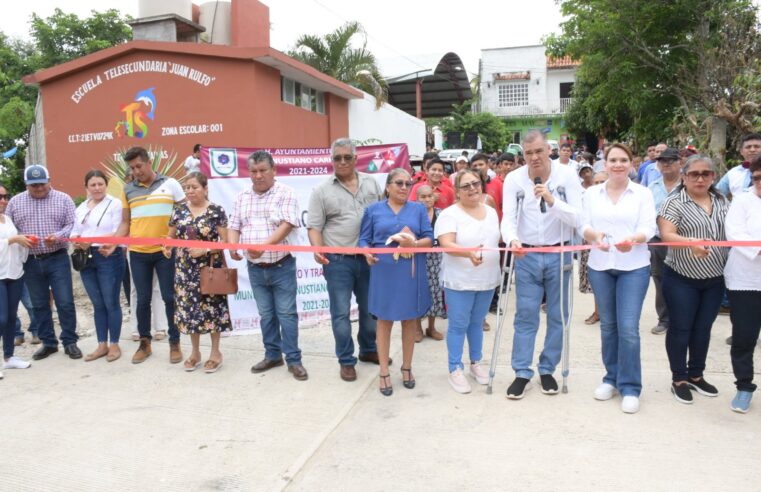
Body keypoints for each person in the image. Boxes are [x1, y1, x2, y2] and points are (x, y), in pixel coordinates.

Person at [501, 130, 583, 399]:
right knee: (525, 315)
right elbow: (509, 218)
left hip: (559, 253)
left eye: (538, 151)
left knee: (559, 315)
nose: (534, 157)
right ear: (522, 155)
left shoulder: (567, 176)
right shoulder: (514, 179)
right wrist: (512, 239)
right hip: (526, 255)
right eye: (528, 153)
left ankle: (547, 369)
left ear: (549, 150)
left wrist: (552, 200)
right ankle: (522, 372)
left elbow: (577, 218)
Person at [581, 143, 656, 414]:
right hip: (601, 265)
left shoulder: (642, 193)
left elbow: (649, 226)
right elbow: (584, 223)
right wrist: (594, 236)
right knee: (608, 327)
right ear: (605, 162)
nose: (618, 164)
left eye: (623, 159)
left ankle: (631, 386)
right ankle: (610, 378)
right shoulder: (591, 193)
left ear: (631, 163)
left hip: (633, 266)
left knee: (628, 328)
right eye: (613, 159)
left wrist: (634, 239)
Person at [307, 138, 384, 382]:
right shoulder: (321, 190)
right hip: (338, 261)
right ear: (331, 160)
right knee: (340, 313)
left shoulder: (371, 183)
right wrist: (317, 249)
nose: (341, 162)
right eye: (336, 158)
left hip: (369, 259)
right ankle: (346, 360)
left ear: (355, 159)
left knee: (371, 309)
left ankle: (369, 350)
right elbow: (314, 226)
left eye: (346, 157)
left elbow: (381, 215)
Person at [229, 151, 307, 381]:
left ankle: (293, 359)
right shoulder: (242, 196)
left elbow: (287, 225)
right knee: (266, 315)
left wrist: (263, 245)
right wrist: (233, 246)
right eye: (253, 171)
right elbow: (234, 225)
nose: (258, 176)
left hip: (281, 265)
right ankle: (273, 355)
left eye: (263, 170)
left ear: (274, 171)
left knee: (286, 314)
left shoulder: (286, 193)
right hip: (255, 267)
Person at [658, 155, 728, 404]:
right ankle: (679, 379)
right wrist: (691, 243)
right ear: (685, 176)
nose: (700, 178)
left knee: (703, 329)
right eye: (694, 174)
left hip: (714, 279)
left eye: (706, 174)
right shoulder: (674, 202)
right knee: (681, 328)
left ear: (713, 177)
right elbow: (666, 234)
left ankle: (696, 375)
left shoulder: (721, 201)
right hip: (681, 278)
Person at [359, 168, 433, 396]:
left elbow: (429, 238)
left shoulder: (418, 209)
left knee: (410, 320)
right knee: (384, 320)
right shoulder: (373, 210)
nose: (403, 187)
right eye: (398, 183)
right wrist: (366, 253)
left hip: (410, 270)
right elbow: (363, 239)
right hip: (384, 271)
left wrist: (414, 246)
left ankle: (407, 367)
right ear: (388, 186)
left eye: (407, 183)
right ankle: (383, 371)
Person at [111, 146, 186, 365]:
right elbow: (125, 222)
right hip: (138, 253)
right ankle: (145, 343)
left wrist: (176, 240)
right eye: (132, 168)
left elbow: (183, 214)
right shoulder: (127, 189)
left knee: (169, 298)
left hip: (165, 252)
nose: (136, 171)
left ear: (149, 162)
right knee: (142, 300)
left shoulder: (170, 184)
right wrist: (113, 243)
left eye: (139, 166)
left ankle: (175, 342)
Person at [6, 165, 81, 360]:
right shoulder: (15, 202)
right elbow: (9, 228)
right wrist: (21, 237)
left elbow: (73, 224)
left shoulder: (63, 199)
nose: (38, 188)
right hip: (30, 261)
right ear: (26, 185)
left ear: (49, 181)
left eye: (42, 184)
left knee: (65, 302)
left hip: (57, 257)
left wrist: (57, 236)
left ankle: (70, 341)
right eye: (33, 185)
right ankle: (48, 343)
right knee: (39, 304)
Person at [436, 169, 501, 394]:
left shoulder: (491, 212)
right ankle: (455, 368)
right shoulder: (449, 214)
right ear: (457, 191)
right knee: (458, 325)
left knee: (476, 323)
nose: (473, 188)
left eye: (475, 183)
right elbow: (446, 243)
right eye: (466, 186)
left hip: (487, 279)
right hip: (460, 280)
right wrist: (468, 253)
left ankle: (476, 363)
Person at [166, 172, 232, 373]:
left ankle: (215, 353)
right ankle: (195, 352)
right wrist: (167, 248)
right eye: (187, 187)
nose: (190, 191)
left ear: (205, 189)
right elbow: (170, 238)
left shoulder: (216, 211)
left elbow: (226, 242)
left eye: (194, 187)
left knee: (212, 310)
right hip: (185, 271)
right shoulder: (178, 211)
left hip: (210, 269)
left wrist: (206, 249)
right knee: (190, 312)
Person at [70, 170, 125, 362]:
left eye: (100, 184)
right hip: (87, 259)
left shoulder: (115, 204)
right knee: (98, 303)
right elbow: (75, 231)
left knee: (111, 302)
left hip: (108, 256)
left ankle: (115, 344)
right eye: (93, 185)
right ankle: (102, 344)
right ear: (87, 187)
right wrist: (77, 241)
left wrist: (90, 240)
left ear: (106, 185)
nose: (97, 188)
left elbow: (119, 231)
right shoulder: (81, 208)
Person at [724, 155, 761, 413]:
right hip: (745, 280)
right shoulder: (742, 200)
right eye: (756, 178)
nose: (759, 183)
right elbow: (735, 232)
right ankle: (744, 386)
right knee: (744, 338)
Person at [647, 147, 682, 335]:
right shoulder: (652, 188)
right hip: (657, 242)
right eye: (662, 161)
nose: (666, 164)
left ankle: (681, 319)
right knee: (659, 280)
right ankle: (664, 319)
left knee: (683, 281)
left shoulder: (687, 186)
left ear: (680, 163)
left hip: (681, 242)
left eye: (671, 160)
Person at [0, 183, 33, 377]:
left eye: (5, 196)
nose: (3, 200)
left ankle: (9, 357)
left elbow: (17, 244)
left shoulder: (8, 220)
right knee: (1, 318)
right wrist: (12, 240)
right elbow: (10, 241)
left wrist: (25, 241)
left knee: (12, 317)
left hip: (14, 273)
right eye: (0, 197)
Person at [415, 185, 445, 342]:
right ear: (416, 198)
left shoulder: (441, 214)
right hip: (418, 258)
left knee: (435, 292)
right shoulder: (413, 214)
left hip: (437, 259)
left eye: (429, 196)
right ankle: (417, 328)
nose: (427, 199)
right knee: (418, 293)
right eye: (423, 197)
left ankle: (431, 327)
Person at [579, 166, 599, 325]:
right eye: (597, 182)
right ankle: (598, 311)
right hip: (591, 245)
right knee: (595, 283)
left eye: (602, 182)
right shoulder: (587, 197)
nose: (599, 184)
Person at [717, 133, 761, 198]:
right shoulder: (732, 173)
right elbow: (716, 196)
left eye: (757, 146)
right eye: (748, 147)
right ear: (741, 151)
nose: (752, 150)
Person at [471, 153, 502, 221]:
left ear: (487, 165)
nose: (478, 167)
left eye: (481, 164)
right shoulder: (470, 187)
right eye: (475, 165)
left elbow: (502, 206)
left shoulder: (498, 184)